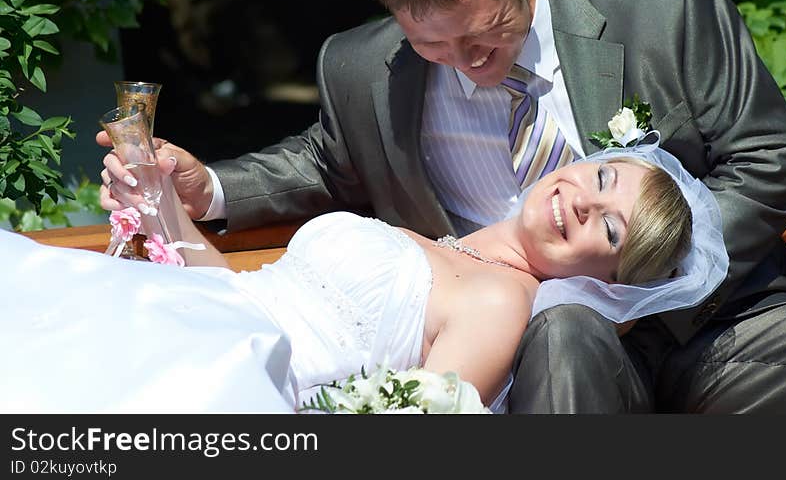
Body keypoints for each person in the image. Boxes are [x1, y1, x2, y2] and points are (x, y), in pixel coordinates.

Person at [99, 0, 786, 413]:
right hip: (547, 341)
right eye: (433, 45)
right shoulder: (363, 66)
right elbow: (324, 161)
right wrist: (209, 190)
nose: (469, 63)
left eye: (486, 35)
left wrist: (649, 278)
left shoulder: (665, 1)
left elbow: (771, 165)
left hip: (717, 321)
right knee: (564, 329)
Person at [0, 145, 726, 413]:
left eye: (610, 226)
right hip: (211, 323)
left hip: (240, 384)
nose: (583, 199)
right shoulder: (429, 238)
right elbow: (239, 297)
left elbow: (407, 421)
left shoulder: (503, 298)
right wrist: (160, 205)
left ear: (610, 278)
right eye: (602, 176)